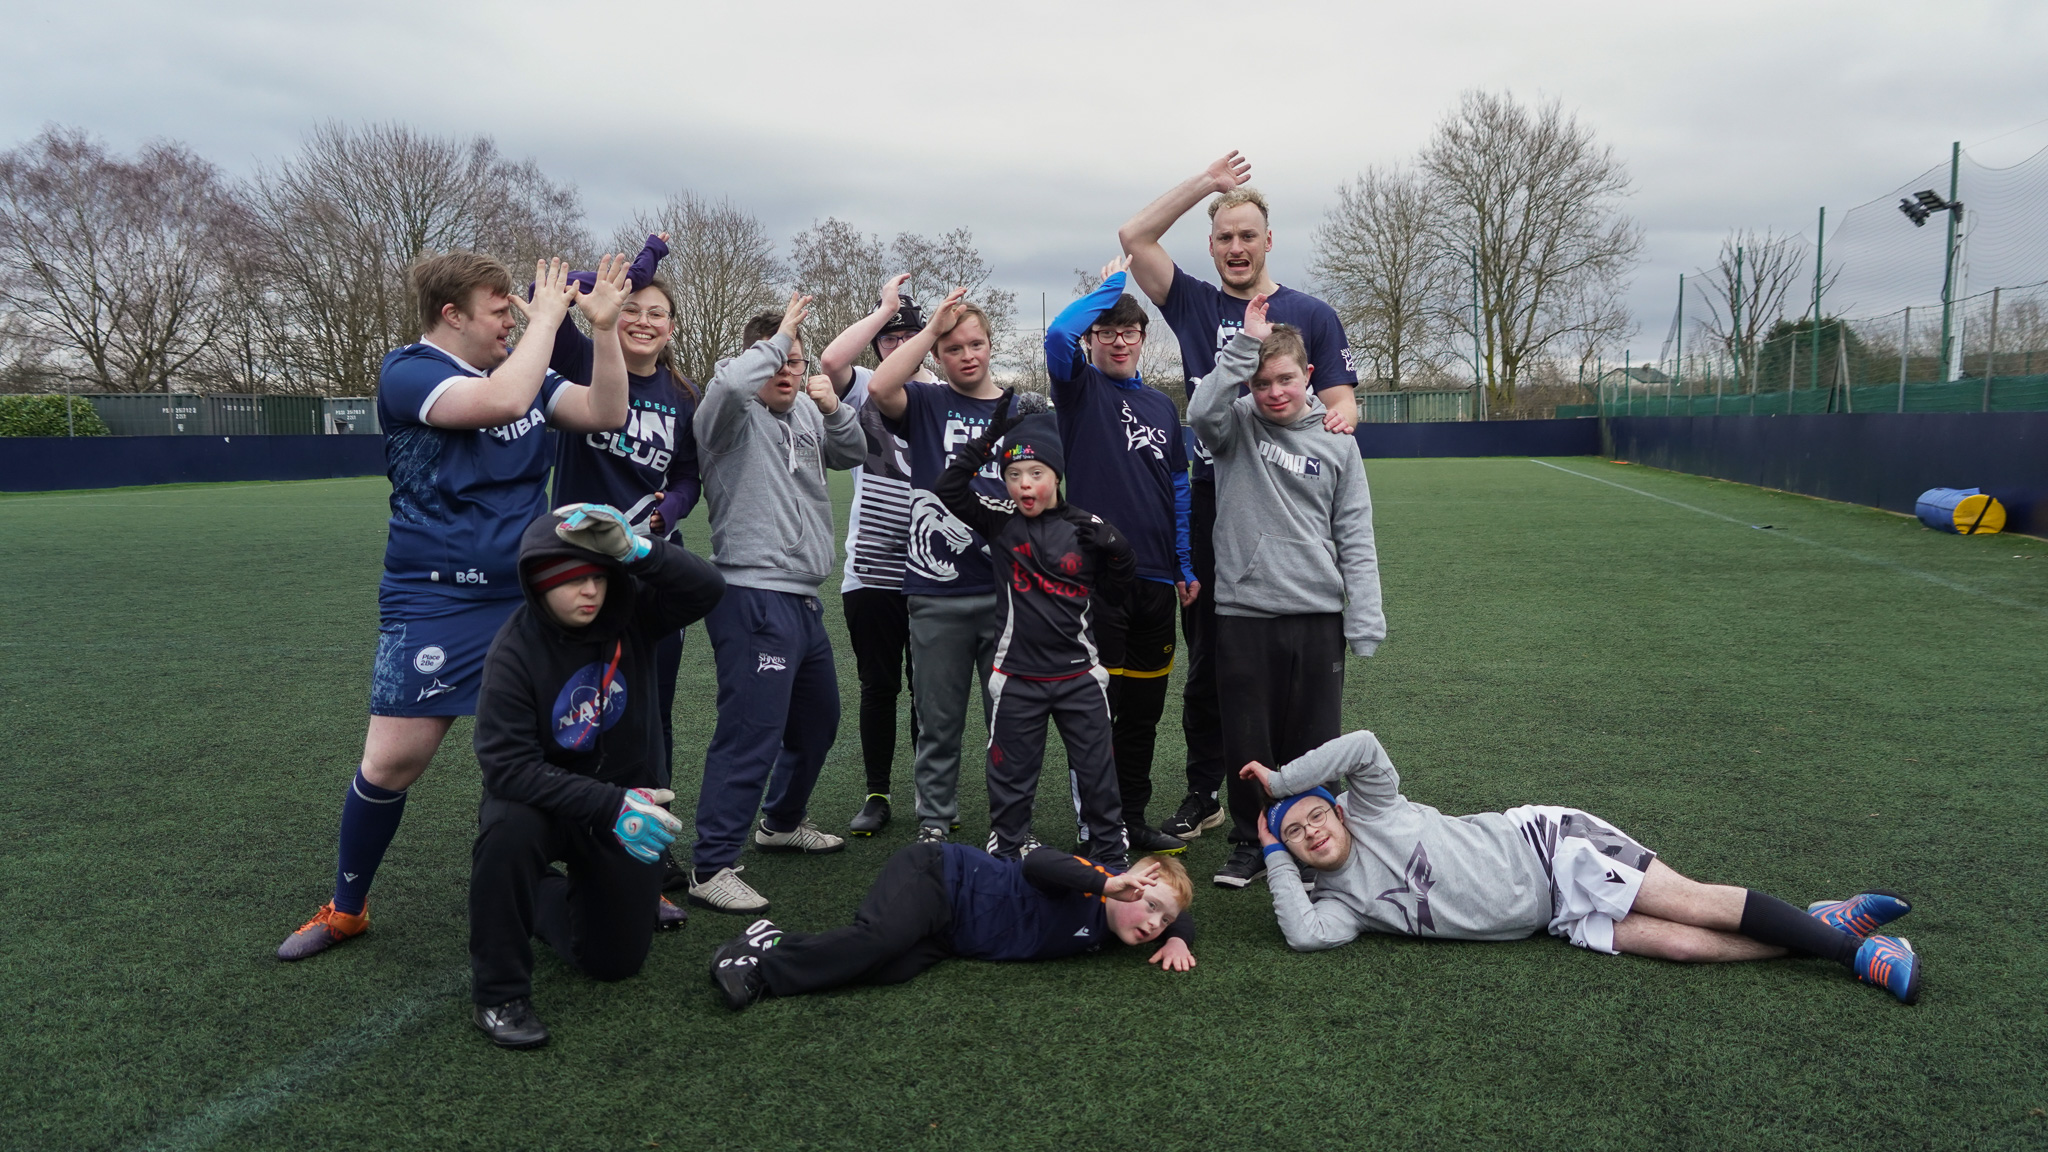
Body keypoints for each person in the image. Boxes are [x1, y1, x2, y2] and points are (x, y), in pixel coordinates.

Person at [277, 252, 633, 961]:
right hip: (435, 596)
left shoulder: (529, 374)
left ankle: (586, 886)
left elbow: (607, 411)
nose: (513, 317)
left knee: (566, 748)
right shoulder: (409, 371)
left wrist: (606, 331)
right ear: (453, 315)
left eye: (514, 308)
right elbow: (501, 402)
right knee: (393, 760)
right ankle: (347, 907)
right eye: (499, 308)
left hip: (525, 601)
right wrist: (552, 318)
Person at [1241, 730, 1924, 1004]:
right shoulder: (1341, 904)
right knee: (1684, 948)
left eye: (1315, 816)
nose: (1312, 833)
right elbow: (1303, 934)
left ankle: (1857, 954)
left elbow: (1361, 744)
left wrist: (1279, 786)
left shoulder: (1375, 809)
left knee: (1690, 904)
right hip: (1554, 919)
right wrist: (1270, 849)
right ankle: (1826, 926)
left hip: (1550, 848)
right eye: (1296, 837)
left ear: (1336, 810)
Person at [1116, 152, 1360, 859]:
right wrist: (1206, 186)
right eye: (1223, 236)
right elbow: (1135, 238)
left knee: (1291, 666)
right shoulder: (1193, 302)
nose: (1235, 247)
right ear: (1212, 242)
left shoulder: (1309, 313)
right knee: (1213, 663)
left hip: (1287, 504)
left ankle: (1298, 802)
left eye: (1247, 234)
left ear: (1268, 240)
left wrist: (1342, 420)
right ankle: (1208, 793)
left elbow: (1340, 397)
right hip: (1209, 500)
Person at [468, 503, 725, 1048]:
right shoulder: (512, 654)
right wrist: (611, 806)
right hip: (543, 803)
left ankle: (546, 896)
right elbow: (508, 769)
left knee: (614, 964)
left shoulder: (631, 615)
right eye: (571, 581)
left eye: (597, 577)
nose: (590, 592)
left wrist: (637, 550)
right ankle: (499, 994)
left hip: (622, 802)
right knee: (507, 835)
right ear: (539, 583)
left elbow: (706, 590)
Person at [1187, 294, 1382, 888]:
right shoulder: (1234, 427)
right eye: (1262, 381)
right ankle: (1253, 841)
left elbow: (1354, 531)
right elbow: (1199, 411)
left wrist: (1364, 616)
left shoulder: (1337, 440)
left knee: (1313, 741)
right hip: (1245, 612)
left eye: (1286, 379)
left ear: (1309, 377)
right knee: (1249, 736)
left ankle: (1309, 841)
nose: (1274, 391)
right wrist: (1242, 349)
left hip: (1318, 615)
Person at [686, 293, 868, 915]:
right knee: (750, 733)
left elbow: (853, 453)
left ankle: (781, 821)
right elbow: (731, 387)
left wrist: (834, 407)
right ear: (754, 362)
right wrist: (777, 340)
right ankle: (711, 865)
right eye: (776, 362)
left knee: (817, 720)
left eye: (797, 361)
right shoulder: (727, 419)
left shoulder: (807, 414)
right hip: (751, 594)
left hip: (803, 599)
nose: (787, 372)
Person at [547, 233, 703, 892]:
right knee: (580, 706)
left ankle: (653, 840)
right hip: (581, 567)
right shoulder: (585, 356)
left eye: (656, 314)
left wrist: (669, 513)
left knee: (652, 710)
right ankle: (580, 830)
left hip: (651, 570)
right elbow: (548, 294)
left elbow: (692, 474)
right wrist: (639, 270)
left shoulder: (683, 393)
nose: (642, 321)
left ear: (671, 328)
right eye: (632, 309)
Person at [935, 394, 1136, 864]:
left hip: (1079, 679)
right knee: (1010, 777)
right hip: (1018, 678)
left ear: (1057, 475)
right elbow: (949, 487)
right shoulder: (999, 520)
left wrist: (1120, 552)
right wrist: (988, 441)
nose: (1024, 485)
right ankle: (1007, 850)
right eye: (1013, 476)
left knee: (1098, 774)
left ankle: (1110, 853)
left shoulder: (1087, 528)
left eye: (1036, 474)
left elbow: (1118, 596)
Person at [1045, 256, 1196, 856]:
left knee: (1142, 716)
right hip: (1098, 580)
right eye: (1105, 332)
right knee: (1098, 714)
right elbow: (1058, 334)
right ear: (1094, 340)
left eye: (1128, 331)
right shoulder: (1079, 388)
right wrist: (1111, 287)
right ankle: (1098, 826)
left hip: (1158, 582)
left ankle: (1133, 820)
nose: (1118, 342)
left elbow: (1179, 492)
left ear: (1142, 338)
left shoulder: (1163, 409)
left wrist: (1185, 566)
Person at [863, 287, 1013, 843]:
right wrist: (929, 330)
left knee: (1009, 722)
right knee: (939, 721)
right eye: (953, 348)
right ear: (938, 357)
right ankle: (934, 821)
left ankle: (1010, 823)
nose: (967, 355)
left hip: (1007, 593)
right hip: (938, 592)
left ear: (991, 346)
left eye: (976, 344)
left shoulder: (1017, 409)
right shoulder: (926, 403)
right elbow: (880, 385)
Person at [707, 846, 1195, 1009]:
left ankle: (773, 940)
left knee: (888, 968)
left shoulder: (1131, 928)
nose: (1152, 921)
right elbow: (1039, 862)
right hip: (937, 877)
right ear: (1128, 881)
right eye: (1149, 904)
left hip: (951, 937)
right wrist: (1107, 884)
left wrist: (1176, 934)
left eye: (1162, 918)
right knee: (878, 939)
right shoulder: (1090, 883)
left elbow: (1181, 911)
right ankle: (755, 967)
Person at [817, 274, 932, 836]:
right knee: (879, 684)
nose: (895, 341)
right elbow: (831, 357)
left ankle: (925, 792)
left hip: (933, 567)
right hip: (873, 565)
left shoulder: (938, 391)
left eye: (905, 331)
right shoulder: (864, 384)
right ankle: (878, 792)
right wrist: (883, 306)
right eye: (887, 334)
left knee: (928, 687)